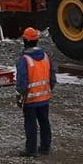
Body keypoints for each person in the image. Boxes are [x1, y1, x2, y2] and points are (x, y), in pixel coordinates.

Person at [14, 26, 57, 156]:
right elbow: (52, 77)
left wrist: (20, 98)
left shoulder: (24, 60)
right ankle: (45, 147)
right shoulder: (45, 57)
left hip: (31, 99)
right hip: (44, 98)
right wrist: (47, 90)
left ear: (25, 41)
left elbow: (22, 82)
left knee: (31, 124)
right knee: (44, 122)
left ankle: (31, 150)